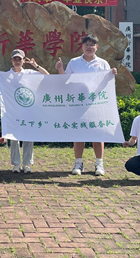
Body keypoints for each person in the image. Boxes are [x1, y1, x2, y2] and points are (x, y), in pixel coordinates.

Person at [56, 34, 117, 176]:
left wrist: (113, 74)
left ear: (97, 47)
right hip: (78, 103)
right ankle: (78, 163)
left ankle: (99, 164)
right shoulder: (74, 62)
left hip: (96, 103)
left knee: (98, 134)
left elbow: (108, 84)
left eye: (92, 45)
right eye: (86, 44)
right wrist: (60, 69)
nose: (89, 47)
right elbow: (65, 80)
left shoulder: (103, 63)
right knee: (79, 133)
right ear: (82, 46)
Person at [0, 49, 49, 174]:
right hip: (13, 111)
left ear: (24, 60)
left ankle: (27, 164)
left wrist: (36, 65)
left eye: (20, 59)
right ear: (11, 60)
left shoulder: (30, 73)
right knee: (14, 138)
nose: (17, 61)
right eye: (15, 59)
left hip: (29, 111)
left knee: (29, 137)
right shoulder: (6, 75)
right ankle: (16, 164)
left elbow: (47, 76)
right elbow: (0, 92)